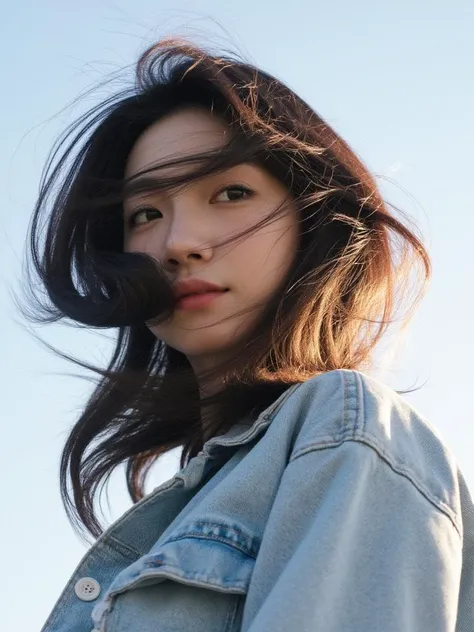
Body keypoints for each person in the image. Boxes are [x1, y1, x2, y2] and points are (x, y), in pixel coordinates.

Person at [27, 38, 473, 632]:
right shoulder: (200, 496)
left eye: (231, 193)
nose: (180, 242)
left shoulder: (344, 429)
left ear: (312, 222)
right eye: (145, 214)